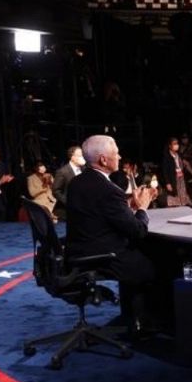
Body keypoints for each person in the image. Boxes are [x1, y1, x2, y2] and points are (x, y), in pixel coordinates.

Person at [65, 135, 156, 329]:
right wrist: (142, 208)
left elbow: (97, 214)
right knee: (149, 265)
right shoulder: (108, 190)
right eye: (116, 153)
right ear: (103, 160)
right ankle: (142, 325)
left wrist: (126, 206)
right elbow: (138, 231)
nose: (120, 156)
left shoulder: (76, 183)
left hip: (76, 251)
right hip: (102, 255)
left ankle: (131, 317)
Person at [53, 146, 85, 220]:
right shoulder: (62, 172)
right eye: (80, 156)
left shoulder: (84, 170)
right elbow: (56, 191)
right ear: (72, 157)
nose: (82, 157)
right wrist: (68, 202)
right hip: (66, 211)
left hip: (83, 210)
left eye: (82, 155)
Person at [162, 137, 192, 207]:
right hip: (173, 179)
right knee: (175, 195)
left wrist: (184, 164)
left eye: (177, 143)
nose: (177, 145)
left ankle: (183, 206)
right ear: (170, 146)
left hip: (181, 178)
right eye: (174, 144)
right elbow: (165, 171)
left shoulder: (179, 155)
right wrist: (168, 183)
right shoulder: (167, 157)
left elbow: (181, 165)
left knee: (183, 193)